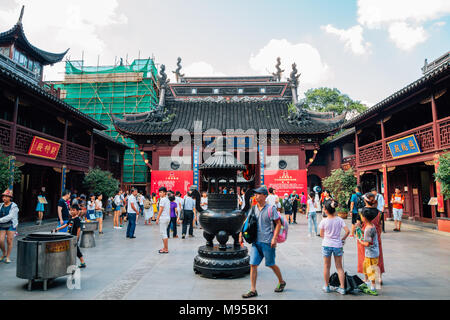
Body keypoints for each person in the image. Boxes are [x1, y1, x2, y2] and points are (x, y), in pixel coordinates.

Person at [240, 187, 286, 299]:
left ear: (264, 196)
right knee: (253, 264)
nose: (256, 196)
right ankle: (253, 290)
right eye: (255, 194)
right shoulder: (254, 208)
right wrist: (241, 233)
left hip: (267, 242)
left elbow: (278, 223)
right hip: (256, 242)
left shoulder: (271, 209)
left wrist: (274, 238)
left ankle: (281, 281)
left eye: (258, 194)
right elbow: (247, 221)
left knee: (270, 264)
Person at [319, 200, 350, 295]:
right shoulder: (339, 220)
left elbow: (321, 234)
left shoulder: (324, 221)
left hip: (326, 244)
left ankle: (326, 286)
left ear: (326, 210)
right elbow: (348, 231)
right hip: (337, 245)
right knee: (339, 267)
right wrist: (342, 239)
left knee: (326, 266)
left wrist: (327, 238)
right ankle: (342, 287)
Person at [357, 193, 385, 286]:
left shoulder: (361, 211)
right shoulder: (379, 212)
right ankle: (379, 277)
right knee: (378, 257)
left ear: (365, 200)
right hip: (376, 237)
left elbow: (358, 224)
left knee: (364, 258)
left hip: (365, 237)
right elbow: (380, 226)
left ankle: (366, 278)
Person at [0, 189, 19, 264]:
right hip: (2, 225)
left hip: (11, 224)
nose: (4, 198)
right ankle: (4, 253)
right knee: (0, 240)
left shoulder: (14, 206)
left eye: (6, 196)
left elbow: (10, 216)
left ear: (10, 198)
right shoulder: (1, 205)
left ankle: (7, 256)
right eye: (3, 196)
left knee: (9, 241)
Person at [156, 187, 171, 253]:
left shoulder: (162, 199)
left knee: (163, 233)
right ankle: (165, 247)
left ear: (165, 193)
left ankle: (166, 248)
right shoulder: (168, 199)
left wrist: (157, 218)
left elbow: (161, 209)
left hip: (163, 218)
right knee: (164, 233)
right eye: (159, 192)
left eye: (161, 192)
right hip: (167, 217)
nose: (160, 193)